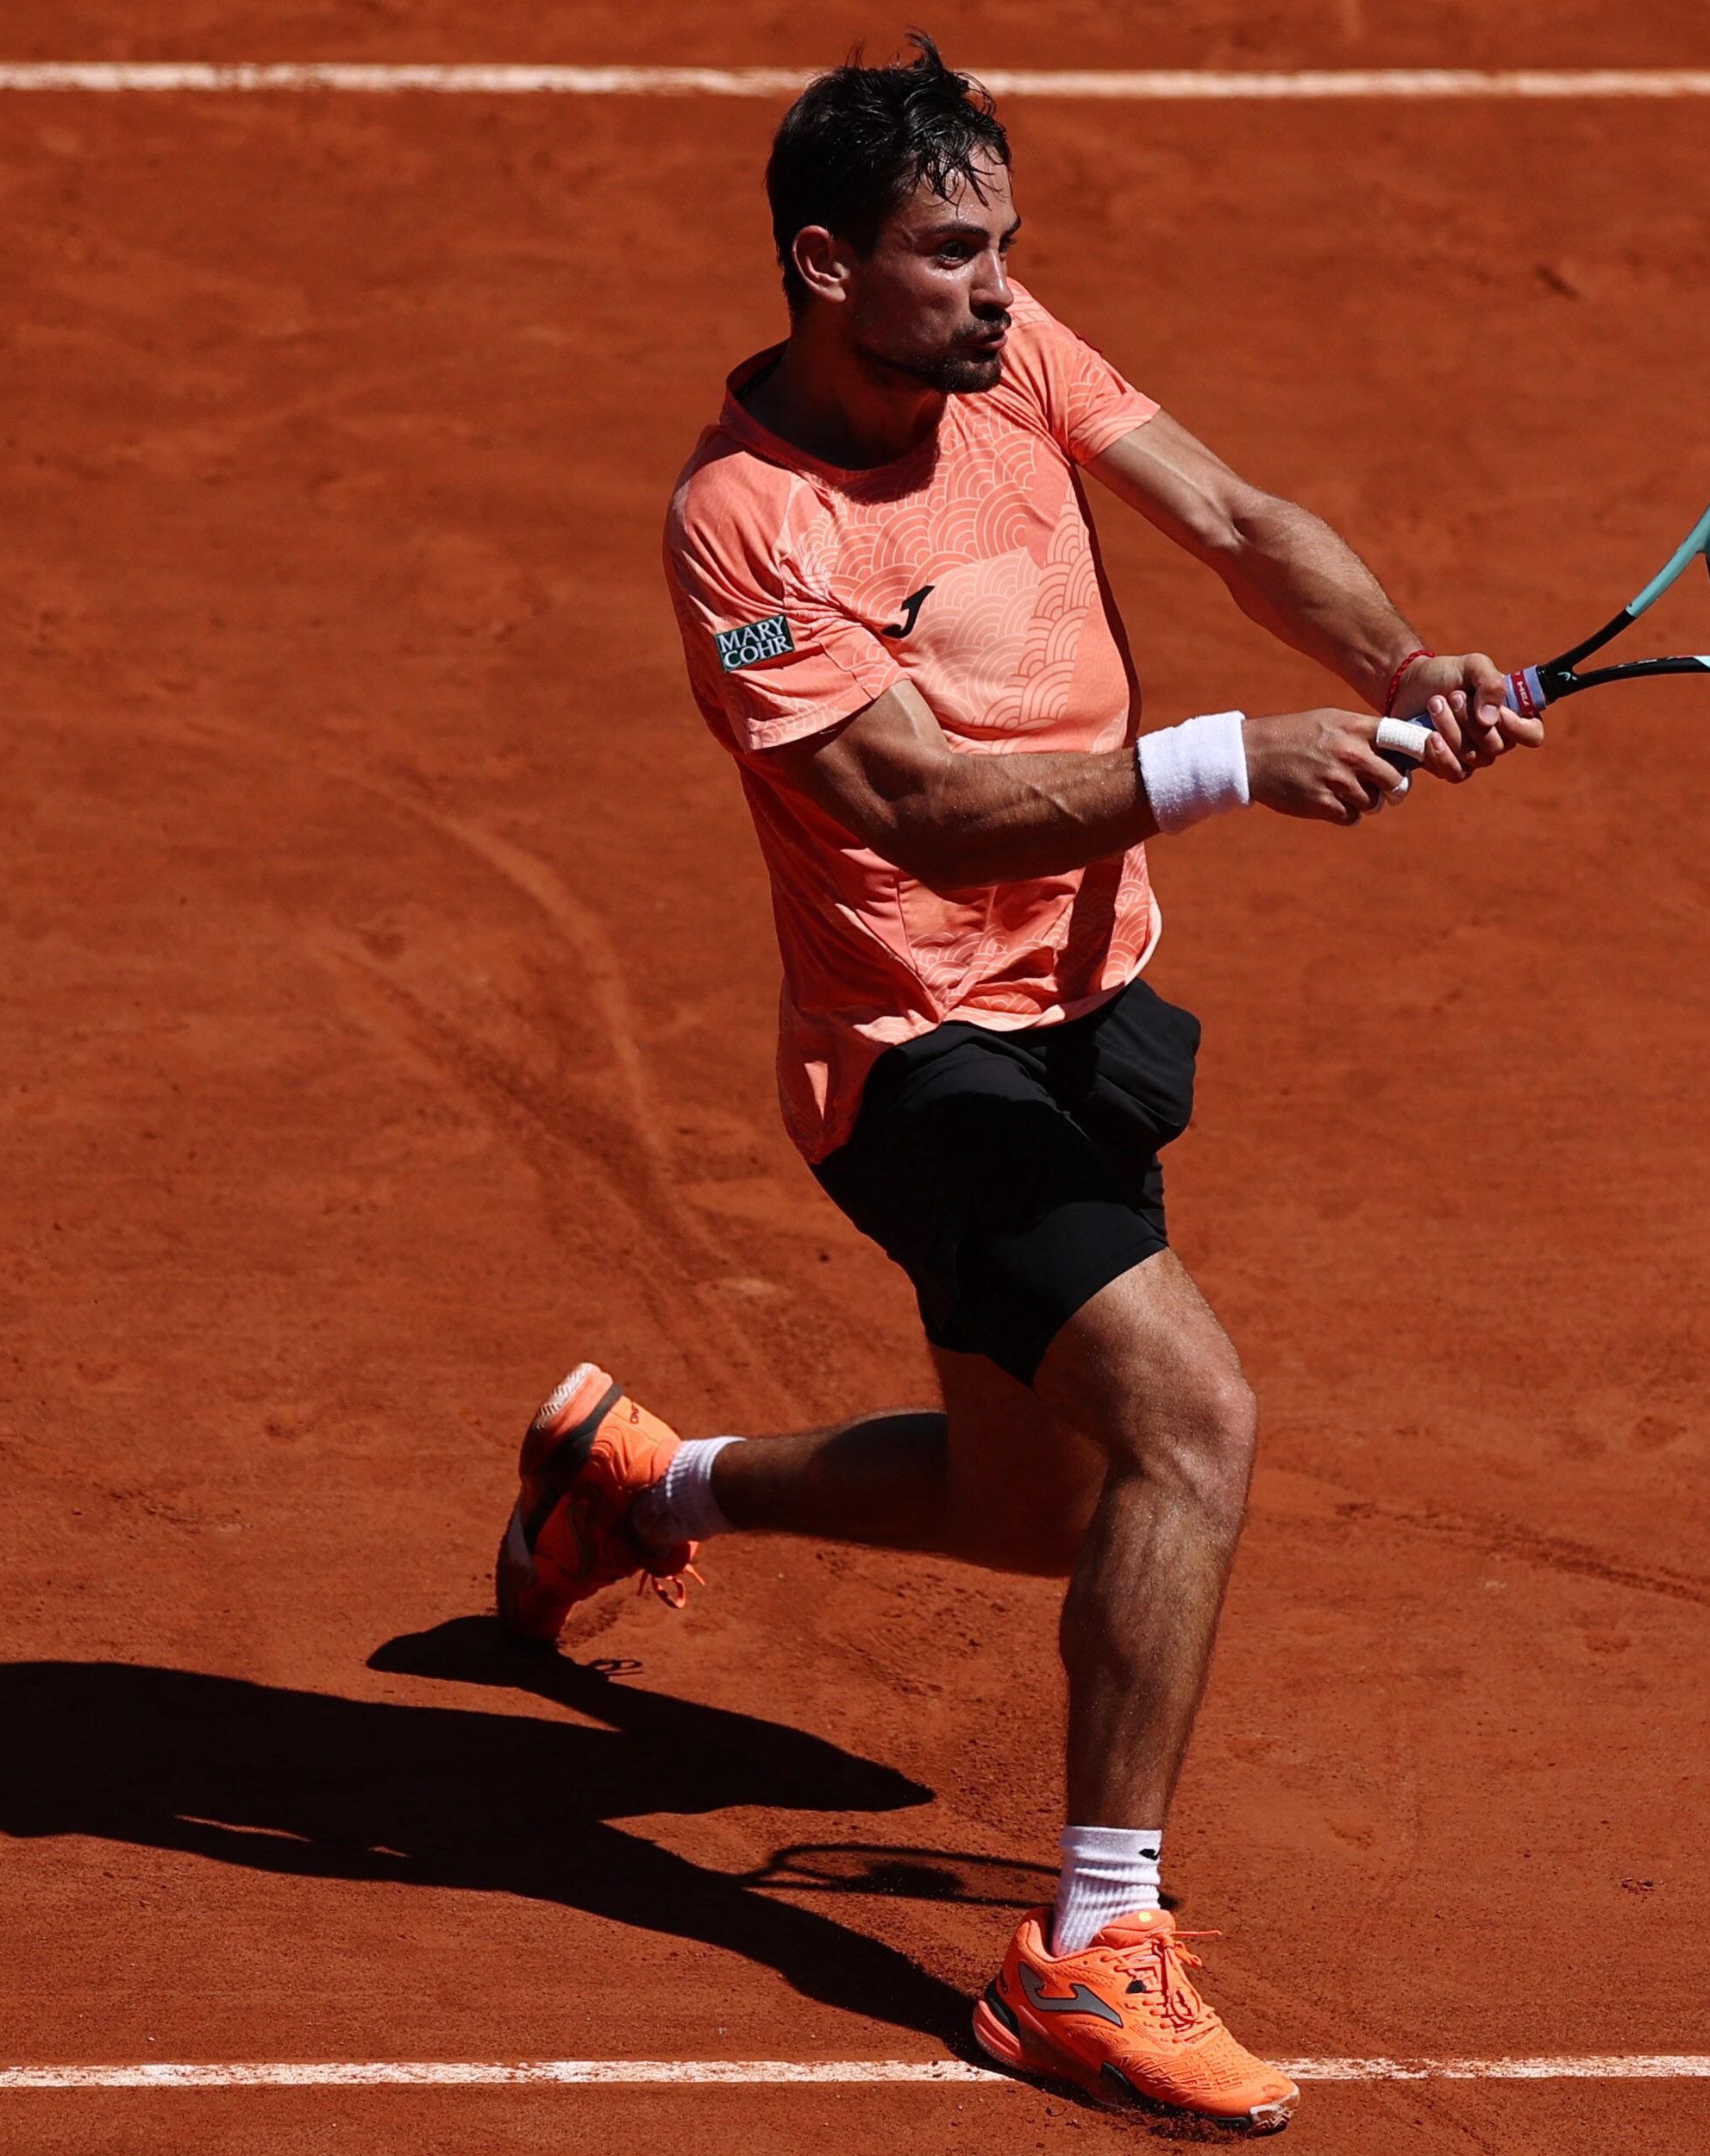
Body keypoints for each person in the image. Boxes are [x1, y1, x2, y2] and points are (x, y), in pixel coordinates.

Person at [495, 34, 1537, 2133]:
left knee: (1035, 1497)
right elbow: (911, 807)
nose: (994, 283)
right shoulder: (745, 521)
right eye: (950, 250)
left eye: (1003, 247)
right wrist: (1232, 759)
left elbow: (1238, 517)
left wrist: (1401, 664)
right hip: (920, 1058)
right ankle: (1090, 1948)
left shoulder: (1004, 359)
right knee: (1192, 1422)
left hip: (1096, 1021)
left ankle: (643, 1482)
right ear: (824, 264)